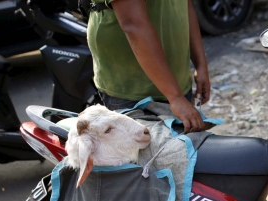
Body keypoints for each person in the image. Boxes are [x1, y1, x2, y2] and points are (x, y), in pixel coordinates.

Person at [87, 0, 210, 133]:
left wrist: (201, 64)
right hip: (132, 91)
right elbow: (133, 24)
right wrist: (175, 97)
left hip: (176, 85)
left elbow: (186, 6)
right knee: (147, 151)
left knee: (184, 149)